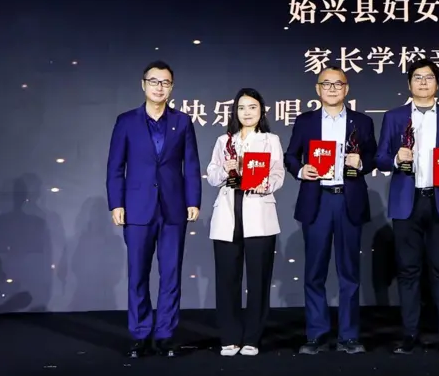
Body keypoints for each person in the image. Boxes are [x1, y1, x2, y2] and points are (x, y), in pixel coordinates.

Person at [106, 60, 201, 358]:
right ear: (143, 84)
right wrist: (116, 203)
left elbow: (191, 165)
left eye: (165, 82)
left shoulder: (182, 122)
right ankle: (140, 334)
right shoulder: (126, 121)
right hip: (137, 208)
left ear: (172, 87)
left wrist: (193, 200)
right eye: (154, 81)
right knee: (138, 274)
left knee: (171, 274)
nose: (159, 87)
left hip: (173, 208)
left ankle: (165, 335)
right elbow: (115, 167)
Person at [375, 58, 439, 354]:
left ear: (437, 84)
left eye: (429, 77)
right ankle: (410, 334)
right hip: (407, 202)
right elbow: (379, 158)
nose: (424, 82)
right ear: (409, 84)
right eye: (418, 77)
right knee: (408, 271)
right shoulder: (394, 117)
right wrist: (395, 159)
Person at [284, 67, 377, 355]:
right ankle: (317, 334)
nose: (333, 88)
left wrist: (361, 162)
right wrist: (301, 170)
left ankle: (349, 336)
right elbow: (290, 155)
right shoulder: (306, 121)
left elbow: (373, 156)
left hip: (348, 199)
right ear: (318, 89)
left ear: (347, 89)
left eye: (338, 84)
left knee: (349, 272)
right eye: (327, 84)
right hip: (318, 199)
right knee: (314, 272)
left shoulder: (362, 121)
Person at [205, 88, 285, 356]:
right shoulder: (224, 140)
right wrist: (225, 168)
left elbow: (278, 174)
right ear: (234, 112)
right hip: (228, 213)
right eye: (241, 108)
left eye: (252, 107)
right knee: (227, 279)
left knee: (258, 279)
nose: (247, 113)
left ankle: (252, 338)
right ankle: (229, 337)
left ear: (261, 110)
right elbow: (212, 175)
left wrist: (264, 184)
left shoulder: (270, 140)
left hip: (259, 212)